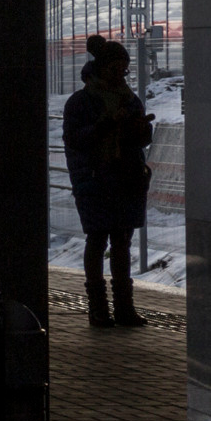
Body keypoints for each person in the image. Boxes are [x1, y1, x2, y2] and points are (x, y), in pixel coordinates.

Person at [62, 33, 153, 328]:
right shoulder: (81, 102)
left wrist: (138, 128)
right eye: (115, 68)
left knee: (122, 241)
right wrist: (106, 125)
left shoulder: (129, 98)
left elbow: (140, 140)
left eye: (123, 68)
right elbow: (74, 139)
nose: (121, 74)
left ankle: (123, 308)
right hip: (95, 179)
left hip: (124, 177)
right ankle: (99, 308)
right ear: (101, 68)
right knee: (99, 239)